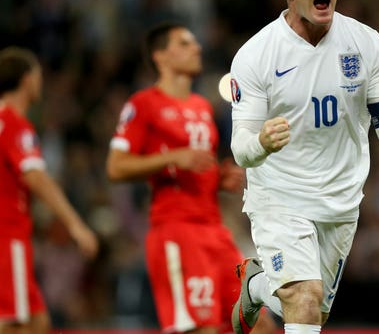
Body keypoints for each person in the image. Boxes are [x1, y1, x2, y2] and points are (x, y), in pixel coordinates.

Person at [228, 0, 379, 334]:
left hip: (340, 200)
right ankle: (264, 284)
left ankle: (255, 285)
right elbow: (241, 150)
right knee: (303, 297)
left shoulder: (366, 43)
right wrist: (262, 144)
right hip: (280, 196)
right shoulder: (255, 56)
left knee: (310, 310)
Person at [106, 24, 276, 334]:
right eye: (184, 43)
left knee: (258, 324)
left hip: (215, 231)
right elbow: (116, 167)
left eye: (195, 43)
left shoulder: (201, 107)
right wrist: (172, 157)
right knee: (201, 328)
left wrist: (218, 179)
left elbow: (196, 167)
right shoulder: (143, 105)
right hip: (176, 232)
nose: (196, 48)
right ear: (161, 56)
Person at [0, 47, 99, 334]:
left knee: (38, 321)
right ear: (28, 79)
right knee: (12, 324)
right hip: (8, 237)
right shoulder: (15, 125)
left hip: (12, 236)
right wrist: (75, 225)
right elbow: (36, 178)